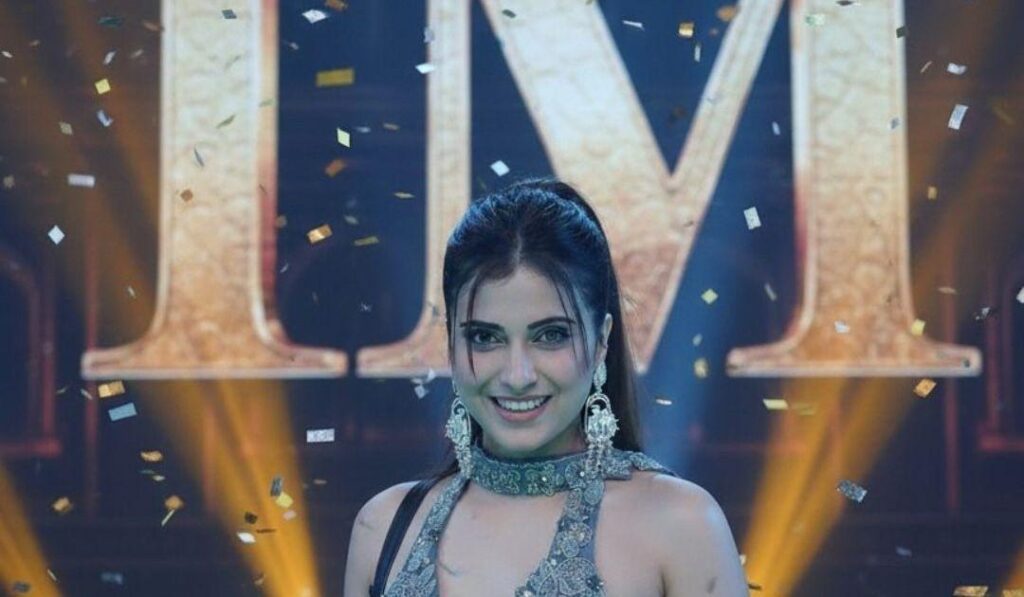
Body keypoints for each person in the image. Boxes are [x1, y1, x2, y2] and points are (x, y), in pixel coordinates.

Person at [344, 179, 748, 596]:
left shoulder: (681, 525)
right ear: (451, 342)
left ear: (602, 340)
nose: (517, 376)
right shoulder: (383, 528)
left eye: (551, 335)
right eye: (485, 337)